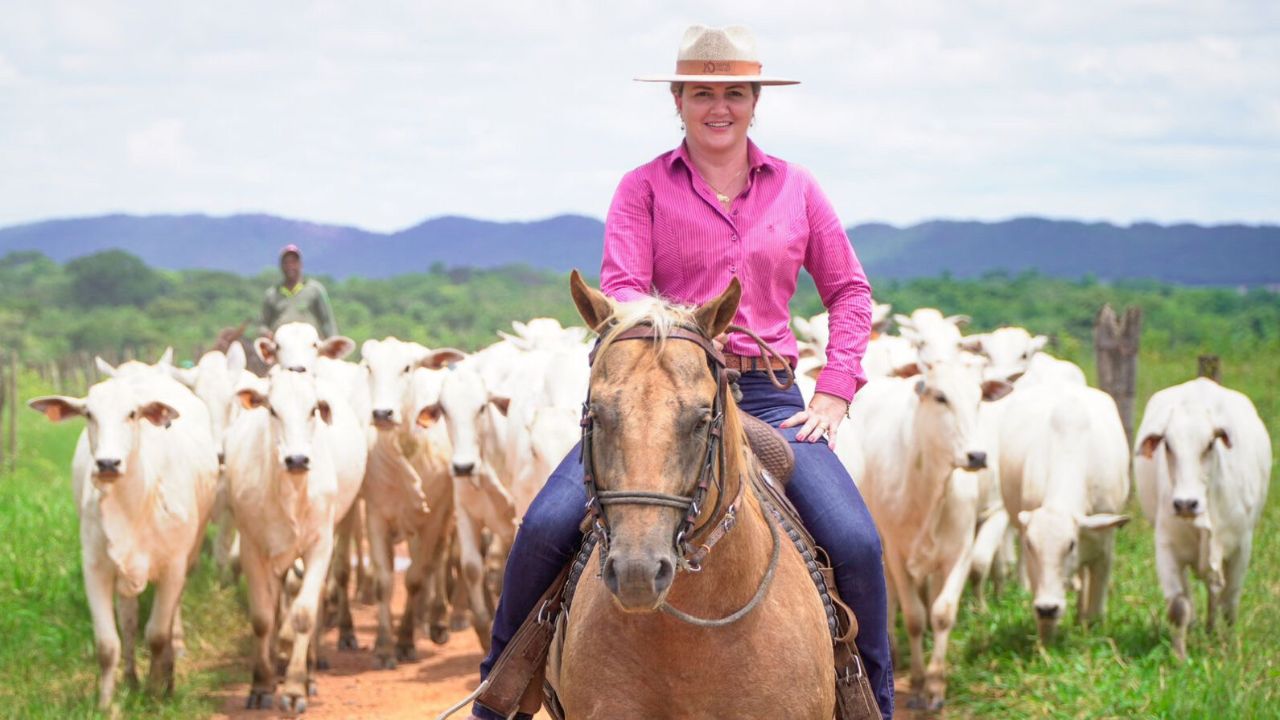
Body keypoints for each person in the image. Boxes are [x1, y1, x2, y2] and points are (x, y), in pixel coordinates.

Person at [471, 25, 893, 720]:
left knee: (855, 541)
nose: (718, 107)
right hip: (660, 391)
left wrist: (835, 391)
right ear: (678, 99)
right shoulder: (641, 187)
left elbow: (849, 291)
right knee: (545, 526)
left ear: (755, 101)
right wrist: (669, 356)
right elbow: (623, 292)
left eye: (734, 93)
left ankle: (870, 704)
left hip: (767, 395)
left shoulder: (797, 189)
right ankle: (498, 697)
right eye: (702, 93)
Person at [259, 244, 338, 339]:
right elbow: (262, 324)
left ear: (300, 264)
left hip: (309, 343)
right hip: (280, 344)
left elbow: (327, 321)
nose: (290, 266)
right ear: (281, 266)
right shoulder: (272, 294)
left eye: (293, 262)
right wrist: (266, 332)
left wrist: (332, 340)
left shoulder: (314, 290)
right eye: (286, 262)